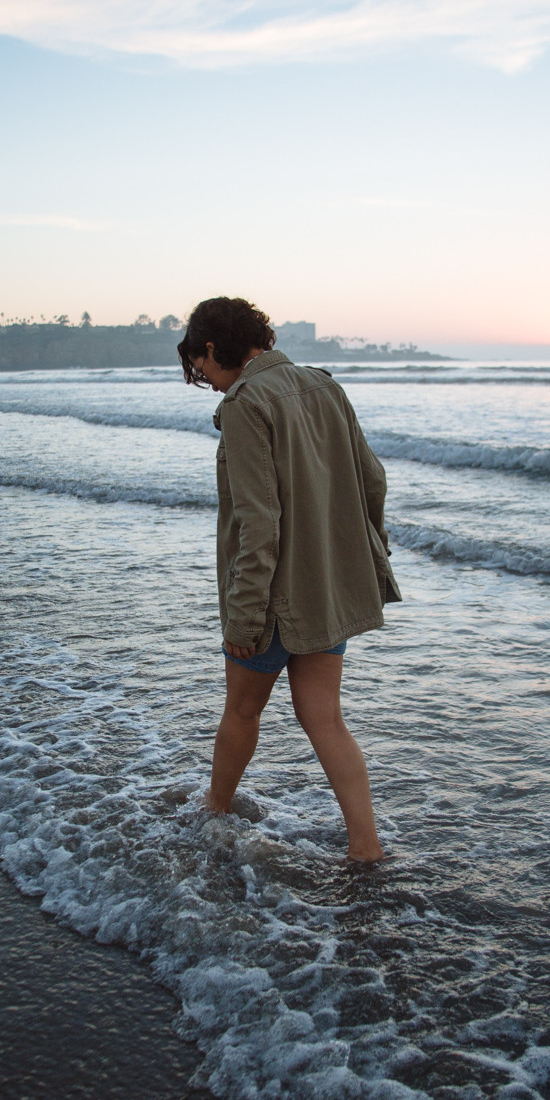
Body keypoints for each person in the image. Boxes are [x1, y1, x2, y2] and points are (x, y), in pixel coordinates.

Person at [177, 296, 401, 862]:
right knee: (325, 719)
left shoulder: (246, 404)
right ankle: (365, 846)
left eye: (201, 365)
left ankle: (215, 811)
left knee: (242, 712)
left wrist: (245, 615)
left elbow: (259, 523)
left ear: (212, 346)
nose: (205, 377)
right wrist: (357, 559)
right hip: (326, 585)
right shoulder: (323, 385)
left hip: (274, 596)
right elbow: (372, 478)